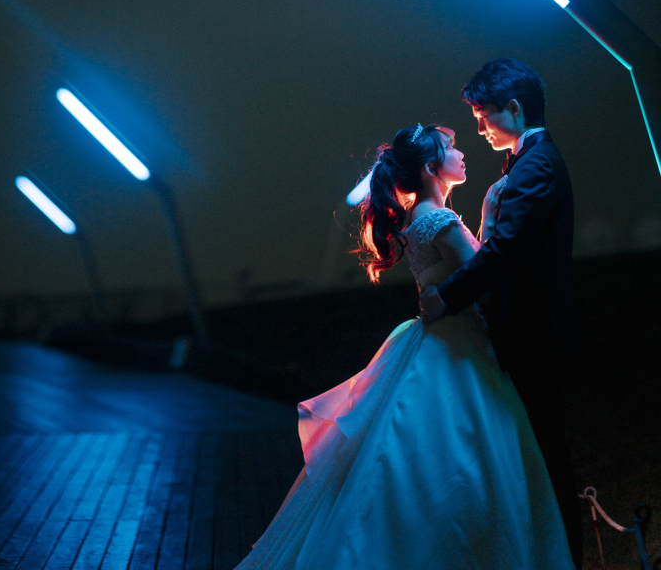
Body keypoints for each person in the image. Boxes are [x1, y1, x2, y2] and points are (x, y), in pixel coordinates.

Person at [233, 123, 575, 570]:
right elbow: (487, 276)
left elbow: (466, 272)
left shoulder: (422, 219)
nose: (461, 151)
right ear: (433, 168)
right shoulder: (440, 220)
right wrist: (491, 219)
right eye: (450, 148)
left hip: (436, 338)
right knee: (474, 454)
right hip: (460, 347)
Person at [420, 58, 581, 567]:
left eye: (485, 115)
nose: (480, 127)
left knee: (547, 456)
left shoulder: (536, 164)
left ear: (514, 108)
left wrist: (447, 297)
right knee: (531, 454)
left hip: (536, 333)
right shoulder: (524, 160)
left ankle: (566, 556)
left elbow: (506, 251)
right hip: (524, 329)